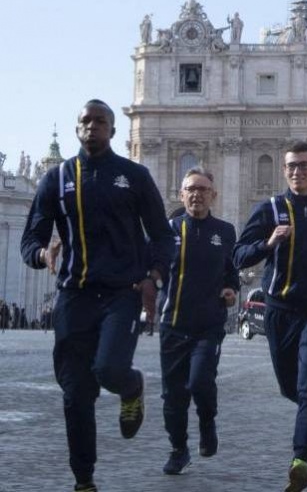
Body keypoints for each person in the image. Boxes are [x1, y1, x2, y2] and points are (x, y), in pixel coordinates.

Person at [20, 99, 174, 492]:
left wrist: (154, 277)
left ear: (112, 130)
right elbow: (31, 239)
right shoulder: (55, 179)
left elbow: (161, 234)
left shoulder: (133, 176)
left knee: (108, 369)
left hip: (122, 293)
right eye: (85, 121)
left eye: (100, 121)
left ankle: (131, 385)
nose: (92, 127)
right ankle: (84, 479)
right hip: (74, 295)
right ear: (77, 129)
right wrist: (42, 254)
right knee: (76, 392)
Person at [233, 141, 307, 492]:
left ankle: (300, 460)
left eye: (305, 166)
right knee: (290, 386)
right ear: (285, 171)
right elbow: (239, 255)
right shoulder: (269, 208)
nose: (298, 171)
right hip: (279, 310)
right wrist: (267, 244)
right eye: (292, 166)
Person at [157, 167, 239, 475]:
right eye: (191, 189)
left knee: (201, 381)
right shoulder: (169, 230)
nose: (197, 194)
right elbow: (154, 265)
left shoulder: (225, 231)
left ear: (213, 196)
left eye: (203, 189)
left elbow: (232, 271)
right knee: (173, 395)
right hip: (173, 323)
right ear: (181, 194)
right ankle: (178, 449)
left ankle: (207, 421)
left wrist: (231, 288)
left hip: (208, 324)